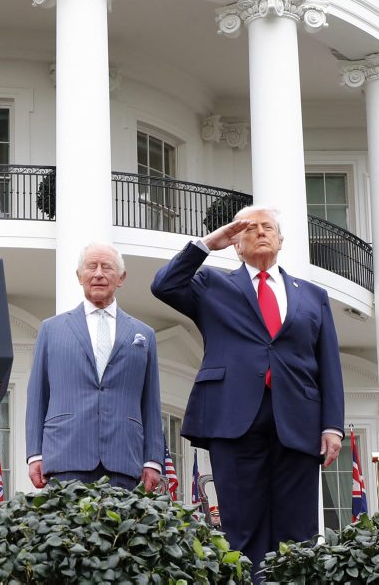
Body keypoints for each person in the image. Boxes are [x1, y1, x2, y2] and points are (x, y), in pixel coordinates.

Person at [151, 205, 344, 577]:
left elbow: (328, 364)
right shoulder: (213, 285)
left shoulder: (313, 295)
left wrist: (332, 425)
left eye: (267, 227)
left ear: (280, 240)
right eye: (249, 228)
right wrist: (208, 244)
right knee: (242, 528)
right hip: (234, 417)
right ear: (236, 244)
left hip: (299, 420)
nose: (260, 232)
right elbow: (164, 285)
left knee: (298, 532)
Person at [26, 242, 163, 492]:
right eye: (91, 266)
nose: (99, 274)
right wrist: (35, 454)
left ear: (121, 278)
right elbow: (37, 394)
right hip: (65, 455)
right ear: (80, 276)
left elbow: (150, 400)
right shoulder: (51, 329)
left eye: (106, 267)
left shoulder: (144, 334)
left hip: (124, 457)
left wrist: (152, 459)